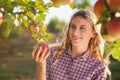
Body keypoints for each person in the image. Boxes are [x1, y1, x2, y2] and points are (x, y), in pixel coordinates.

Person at [32, 9, 107, 80]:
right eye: (73, 26)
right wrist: (41, 63)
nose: (75, 32)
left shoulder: (98, 68)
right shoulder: (53, 53)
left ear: (93, 33)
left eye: (82, 28)